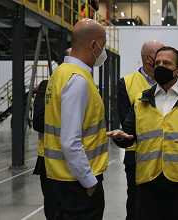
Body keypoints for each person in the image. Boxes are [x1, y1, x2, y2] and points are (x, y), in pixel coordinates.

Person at [108, 46, 178, 220]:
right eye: (157, 63)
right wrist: (120, 138)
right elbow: (128, 135)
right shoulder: (142, 99)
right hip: (147, 179)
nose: (160, 66)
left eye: (166, 63)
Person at [44, 19, 108, 219]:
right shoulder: (77, 80)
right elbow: (70, 141)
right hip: (77, 183)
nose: (103, 51)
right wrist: (90, 181)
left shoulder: (60, 74)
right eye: (103, 46)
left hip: (59, 177)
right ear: (93, 45)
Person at [117, 40, 164, 220]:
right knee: (138, 205)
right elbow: (127, 122)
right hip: (137, 156)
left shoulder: (170, 82)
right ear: (148, 58)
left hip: (167, 156)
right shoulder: (126, 83)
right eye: (159, 57)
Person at [32, 47, 71, 220]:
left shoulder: (86, 84)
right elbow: (39, 122)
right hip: (50, 160)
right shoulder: (47, 86)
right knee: (55, 212)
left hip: (78, 160)